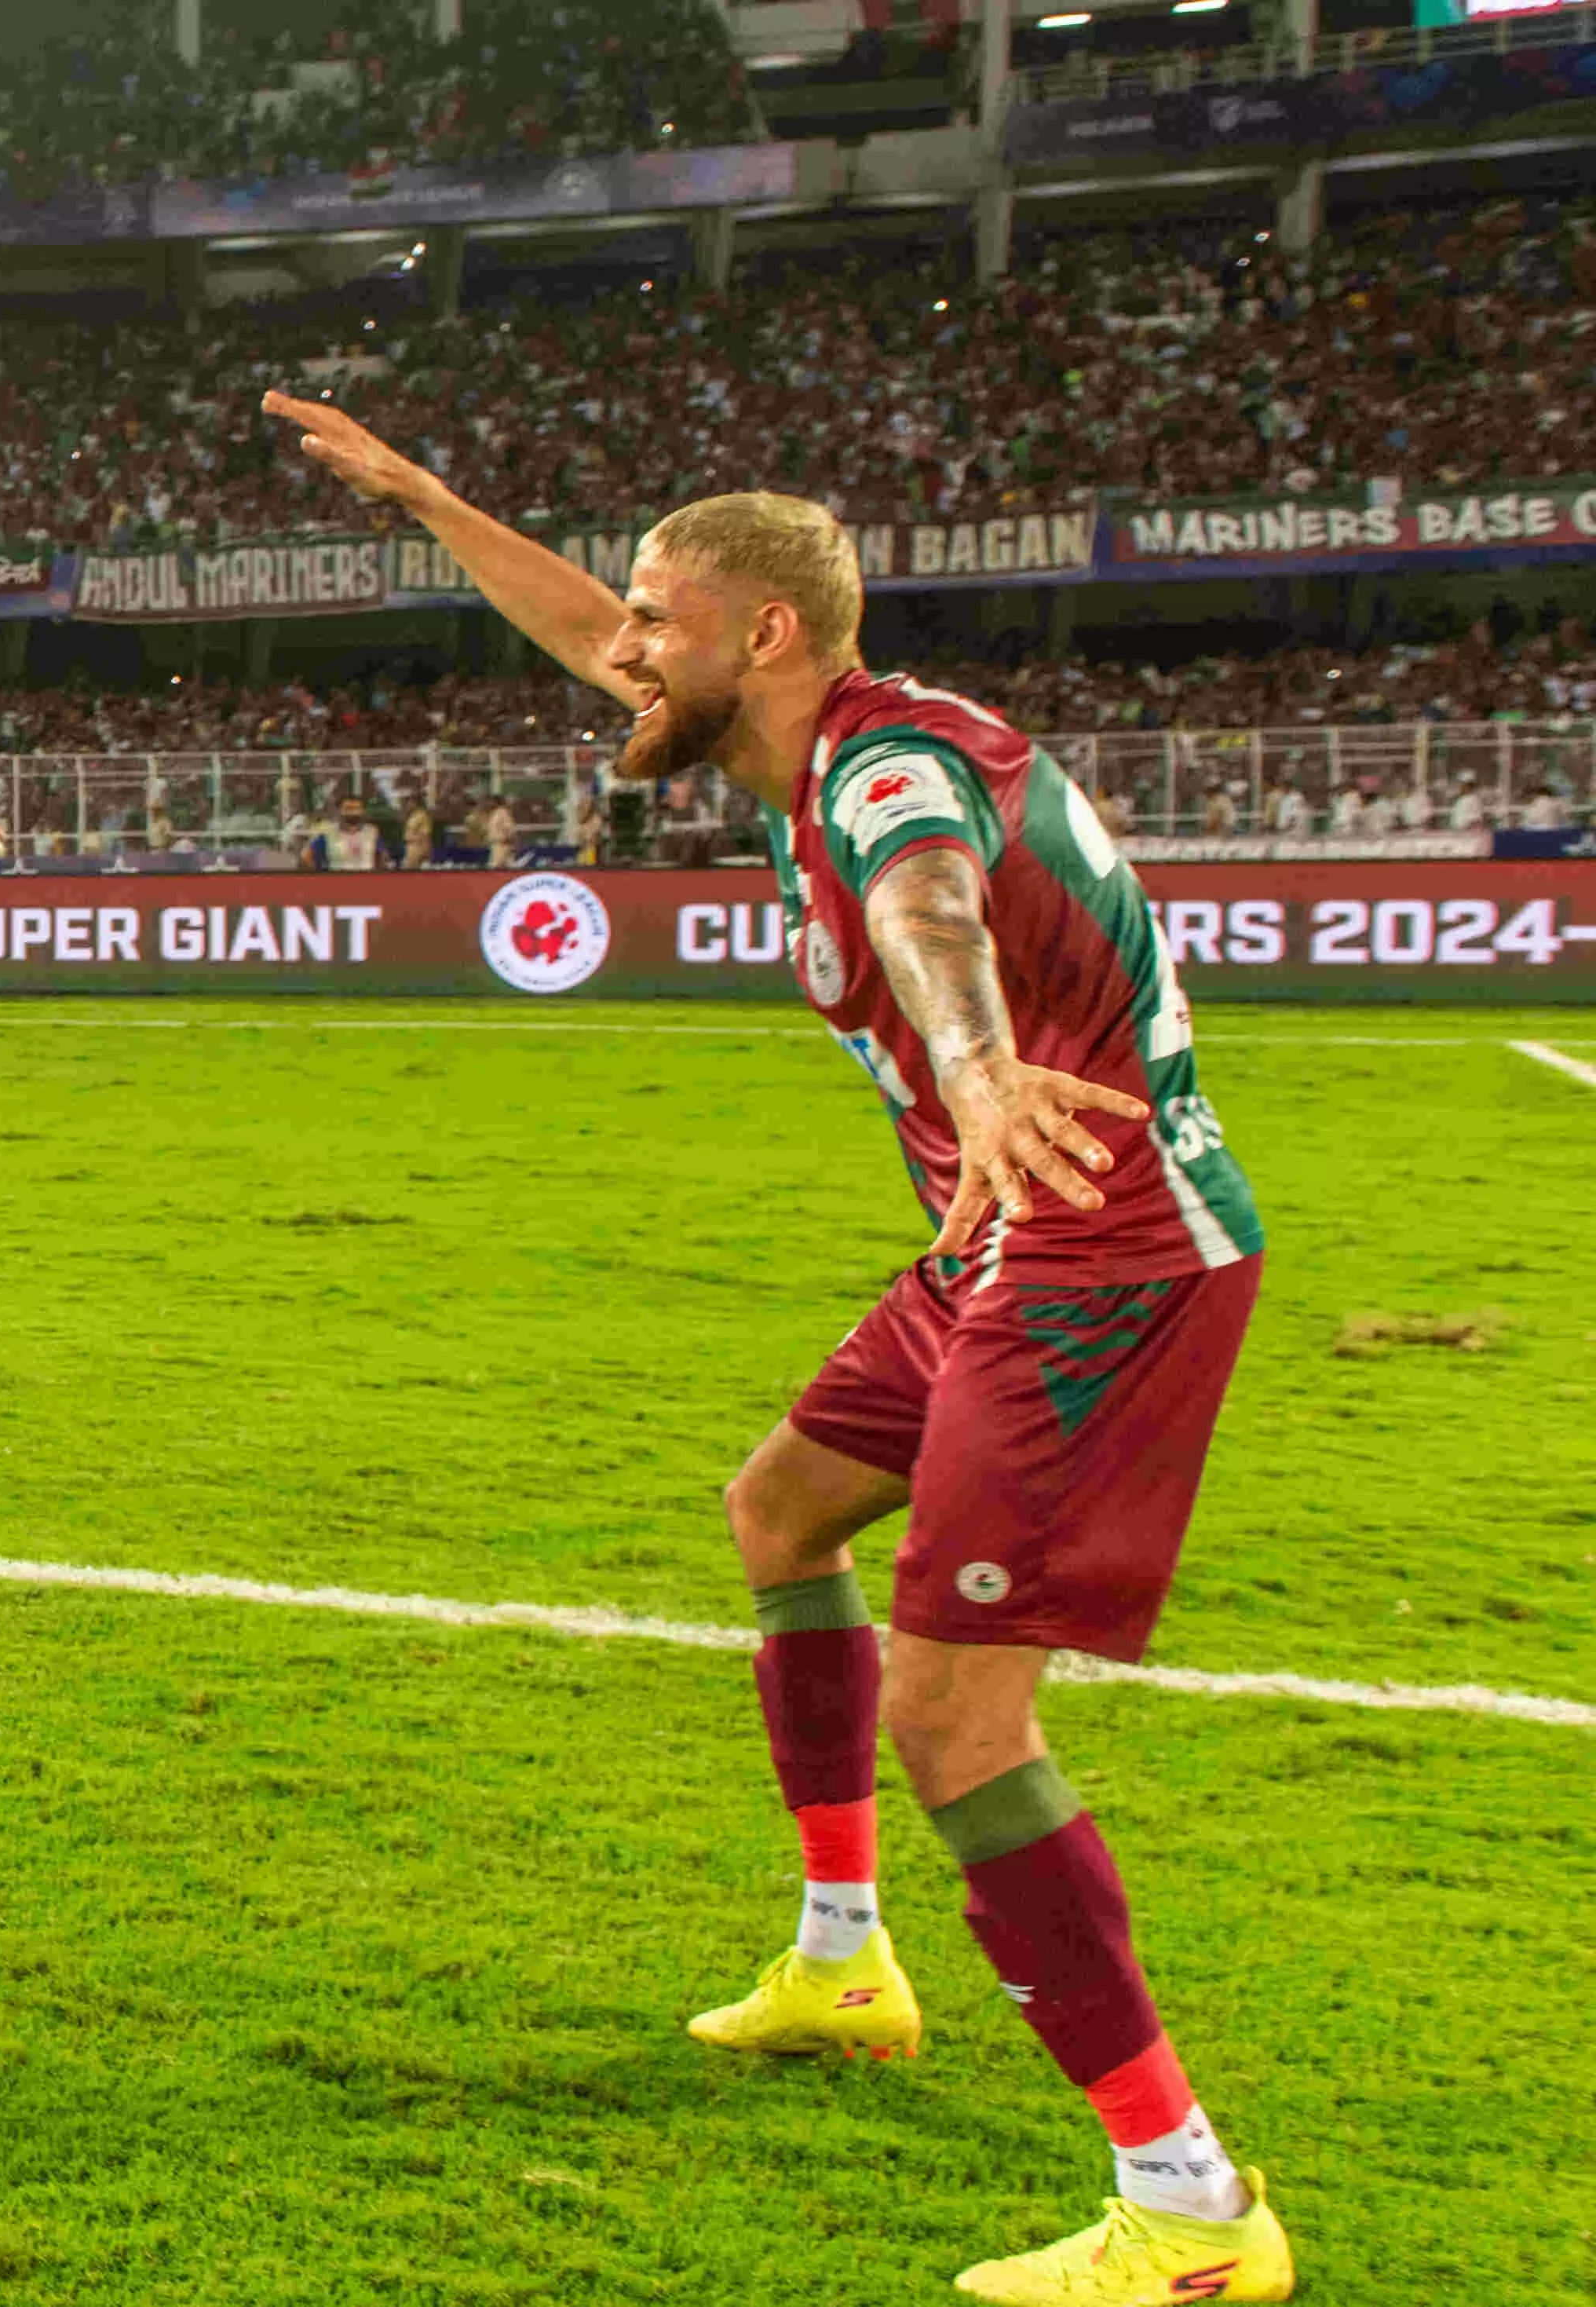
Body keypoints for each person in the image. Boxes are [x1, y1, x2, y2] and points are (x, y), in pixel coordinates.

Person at [268, 391, 1287, 2307]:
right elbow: (586, 635)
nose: (617, 649)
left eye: (655, 616)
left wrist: (979, 1062)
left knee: (955, 1716)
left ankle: (1190, 2204)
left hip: (1099, 1247)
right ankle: (840, 1956)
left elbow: (925, 901)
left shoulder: (884, 773)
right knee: (781, 1509)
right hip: (995, 1236)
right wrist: (421, 495)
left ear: (765, 638)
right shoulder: (785, 735)